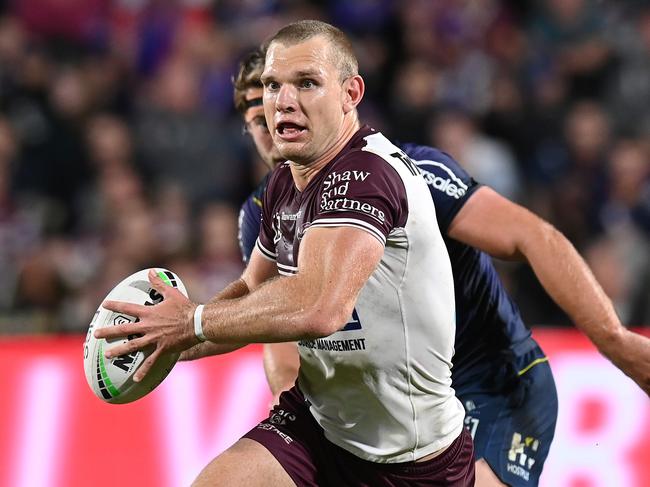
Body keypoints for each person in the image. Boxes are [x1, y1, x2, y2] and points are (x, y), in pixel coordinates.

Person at [204, 43, 650, 487]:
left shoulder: (407, 172)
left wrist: (615, 341)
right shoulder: (264, 213)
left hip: (488, 381)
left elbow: (533, 237)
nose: (276, 119)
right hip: (384, 411)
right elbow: (280, 333)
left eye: (303, 87)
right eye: (258, 116)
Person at [95, 20, 475, 487]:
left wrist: (191, 322)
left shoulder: (368, 175)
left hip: (414, 461)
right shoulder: (285, 181)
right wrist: (169, 341)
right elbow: (253, 291)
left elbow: (320, 307)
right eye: (273, 85)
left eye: (307, 83)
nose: (283, 100)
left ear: (350, 93)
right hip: (318, 429)